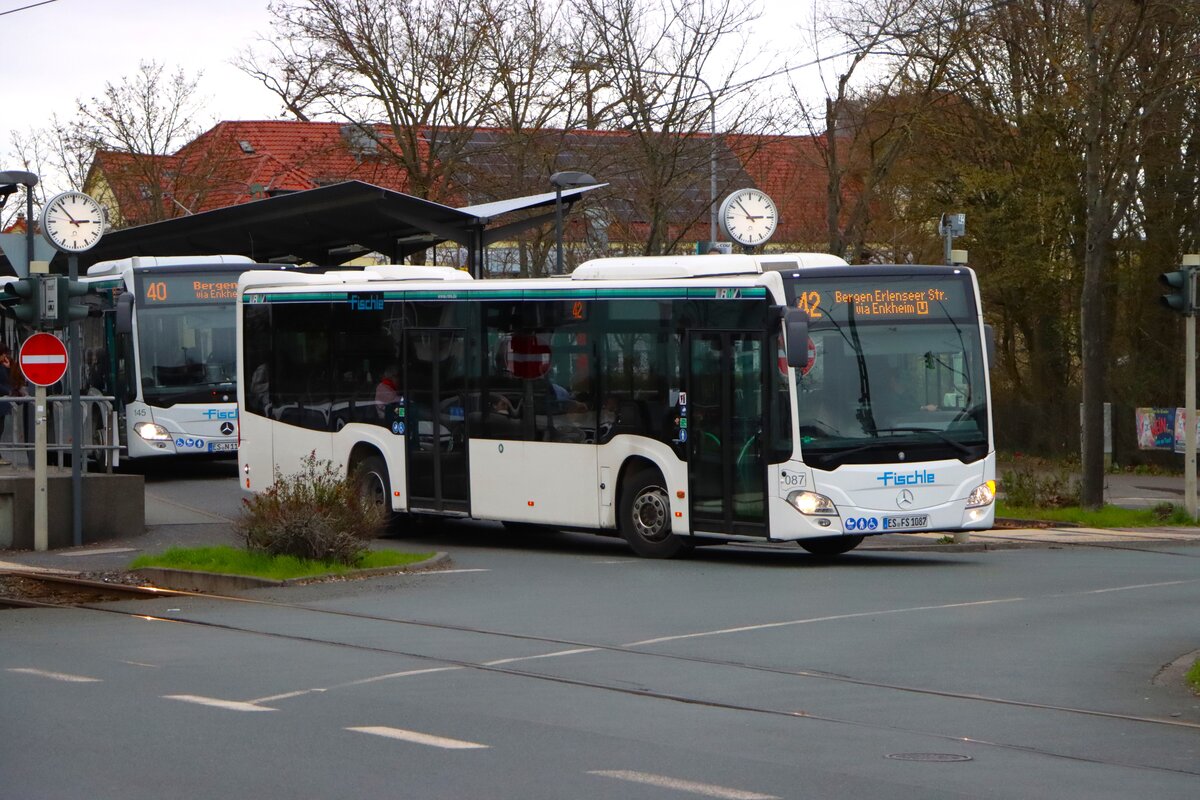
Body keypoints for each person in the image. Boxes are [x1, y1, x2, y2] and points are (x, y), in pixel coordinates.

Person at [0, 345, 11, 466]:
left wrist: (7, 368)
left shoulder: (2, 366)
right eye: (3, 354)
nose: (5, 356)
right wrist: (8, 391)